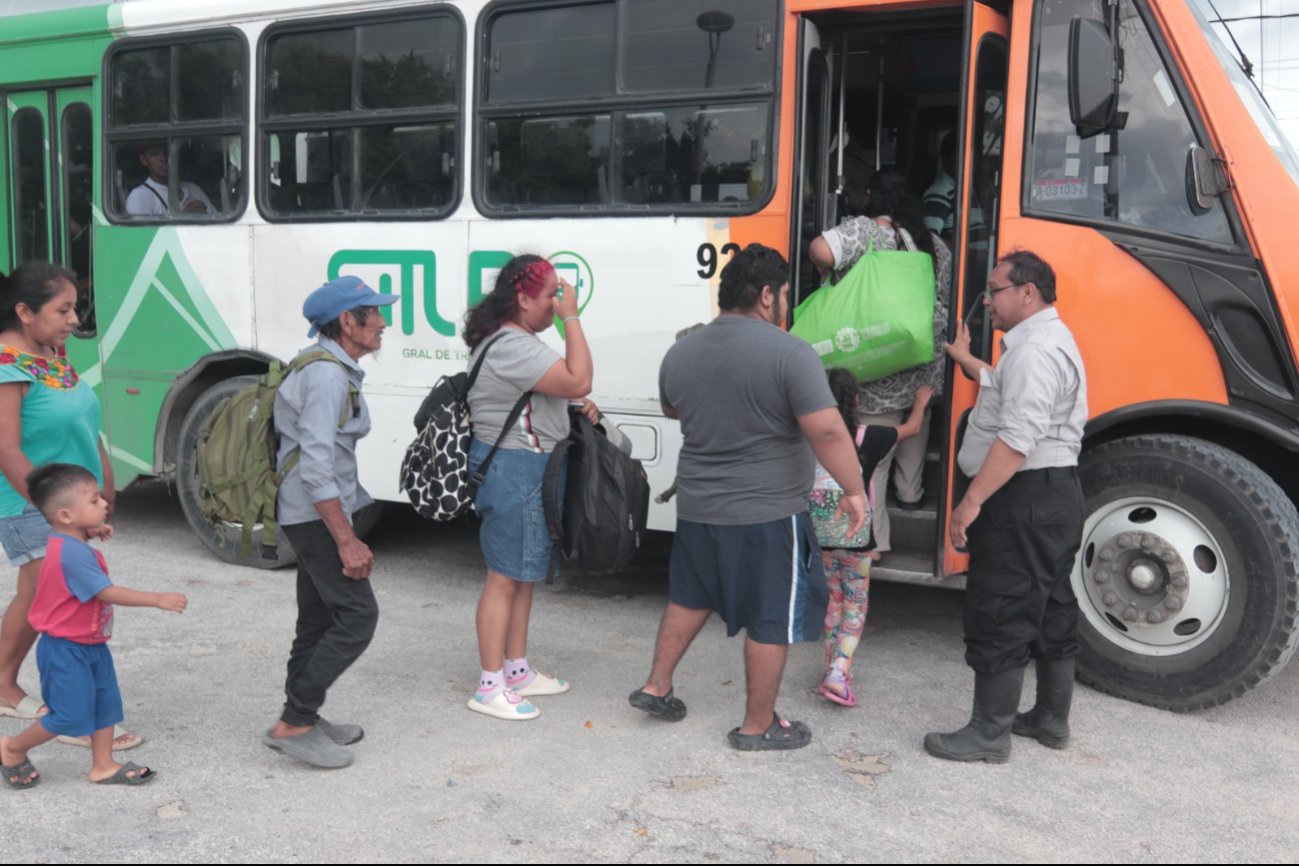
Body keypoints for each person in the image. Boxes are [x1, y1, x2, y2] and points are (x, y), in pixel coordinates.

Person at [629, 244, 867, 751]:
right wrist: (854, 490)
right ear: (766, 295)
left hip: (698, 507)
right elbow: (826, 429)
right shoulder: (790, 353)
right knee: (769, 615)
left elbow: (673, 410)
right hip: (767, 513)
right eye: (784, 295)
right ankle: (758, 726)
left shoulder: (682, 352)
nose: (787, 305)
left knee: (690, 596)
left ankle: (657, 685)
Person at [924, 250, 1087, 763]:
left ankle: (989, 734)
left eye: (994, 290)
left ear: (1027, 292)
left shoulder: (1035, 352)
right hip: (1052, 498)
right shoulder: (1041, 343)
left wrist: (969, 503)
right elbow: (1002, 388)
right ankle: (1050, 718)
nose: (988, 300)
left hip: (1025, 497)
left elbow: (1017, 437)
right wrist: (966, 360)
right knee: (1052, 605)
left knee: (1003, 608)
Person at [0, 262, 142, 752]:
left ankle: (2, 684)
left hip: (69, 505)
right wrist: (51, 513)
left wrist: (104, 491)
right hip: (32, 505)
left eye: (74, 307)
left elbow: (86, 422)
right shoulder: (5, 365)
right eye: (62, 309)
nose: (73, 318)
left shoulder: (51, 355)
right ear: (24, 311)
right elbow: (8, 450)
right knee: (66, 609)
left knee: (34, 597)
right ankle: (76, 717)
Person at [261, 275, 397, 768]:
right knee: (358, 617)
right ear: (348, 321)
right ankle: (294, 722)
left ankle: (304, 716)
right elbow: (317, 467)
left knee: (316, 620)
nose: (383, 323)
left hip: (312, 513)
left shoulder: (330, 368)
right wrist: (346, 540)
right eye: (375, 313)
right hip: (315, 516)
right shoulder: (326, 376)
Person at [462, 254, 598, 721]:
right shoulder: (512, 344)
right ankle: (488, 685)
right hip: (513, 468)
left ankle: (516, 670)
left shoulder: (510, 341)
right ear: (522, 299)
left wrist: (576, 405)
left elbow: (560, 390)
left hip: (527, 466)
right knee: (504, 577)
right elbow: (578, 376)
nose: (556, 304)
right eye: (550, 296)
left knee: (523, 574)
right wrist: (572, 317)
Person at [0, 463, 186, 788]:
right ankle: (12, 748)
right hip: (65, 651)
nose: (104, 504)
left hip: (91, 644)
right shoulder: (71, 555)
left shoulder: (68, 541)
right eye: (94, 500)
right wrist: (157, 599)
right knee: (68, 716)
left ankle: (103, 765)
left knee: (106, 706)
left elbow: (73, 543)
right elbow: (106, 591)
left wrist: (91, 530)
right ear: (66, 516)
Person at [808, 169, 951, 554]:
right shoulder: (934, 245)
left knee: (874, 469)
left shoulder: (866, 231)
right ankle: (912, 493)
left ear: (870, 195)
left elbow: (821, 249)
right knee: (913, 439)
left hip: (875, 378)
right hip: (923, 371)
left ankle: (877, 544)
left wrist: (828, 272)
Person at [813, 370, 933, 708]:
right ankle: (838, 673)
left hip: (822, 535)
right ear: (856, 400)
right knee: (855, 607)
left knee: (834, 603)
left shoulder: (812, 437)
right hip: (857, 538)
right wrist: (920, 403)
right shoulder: (869, 436)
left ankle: (831, 669)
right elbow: (911, 430)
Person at [124, 142, 215, 216]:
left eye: (167, 152)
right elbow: (142, 235)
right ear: (144, 160)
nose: (163, 158)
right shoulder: (139, 196)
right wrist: (183, 216)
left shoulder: (193, 189)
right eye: (154, 154)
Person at [922, 133, 957, 243]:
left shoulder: (966, 190)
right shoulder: (940, 192)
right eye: (961, 156)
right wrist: (971, 253)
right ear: (945, 160)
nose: (970, 161)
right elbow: (930, 239)